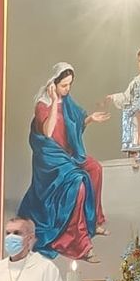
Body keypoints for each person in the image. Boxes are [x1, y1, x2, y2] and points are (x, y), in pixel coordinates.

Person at [19, 63, 110, 261]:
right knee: (78, 183)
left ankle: (92, 221)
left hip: (69, 154)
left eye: (70, 85)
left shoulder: (67, 100)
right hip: (50, 160)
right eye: (64, 86)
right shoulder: (43, 105)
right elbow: (48, 132)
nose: (67, 89)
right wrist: (53, 101)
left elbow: (75, 124)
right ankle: (80, 243)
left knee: (95, 168)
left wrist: (91, 119)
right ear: (53, 84)